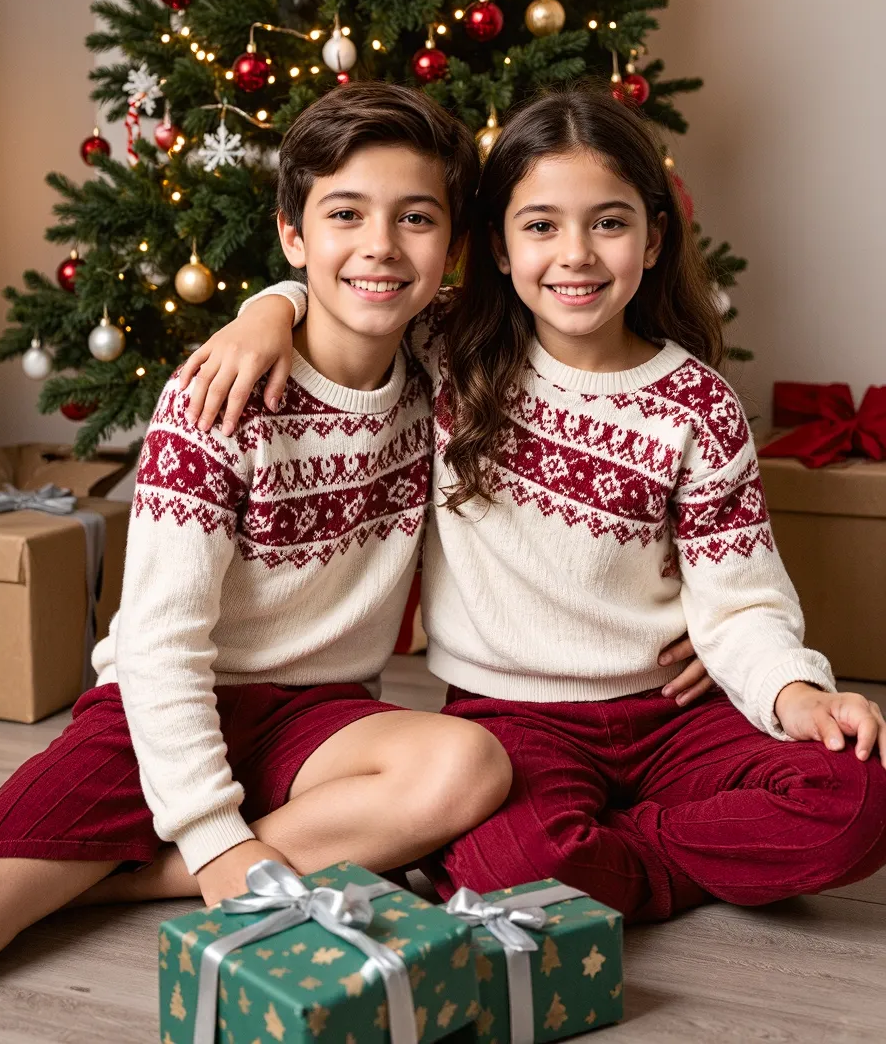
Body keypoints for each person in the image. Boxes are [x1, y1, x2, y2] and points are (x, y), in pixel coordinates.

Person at [174, 83, 886, 923]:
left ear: (654, 239)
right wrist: (267, 309)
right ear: (501, 250)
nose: (576, 253)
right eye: (541, 225)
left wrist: (795, 694)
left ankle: (598, 859)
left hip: (671, 712)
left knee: (855, 803)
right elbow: (351, 289)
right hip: (513, 721)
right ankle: (602, 857)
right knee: (510, 849)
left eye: (609, 222)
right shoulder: (448, 352)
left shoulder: (699, 405)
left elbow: (742, 603)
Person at [0, 82, 514, 959]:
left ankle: (139, 878)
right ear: (292, 234)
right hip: (160, 706)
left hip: (320, 721)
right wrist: (213, 830)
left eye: (416, 220)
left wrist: (274, 301)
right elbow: (159, 643)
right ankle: (227, 851)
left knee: (468, 765)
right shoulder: (218, 399)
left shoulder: (441, 362)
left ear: (454, 248)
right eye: (345, 214)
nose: (380, 247)